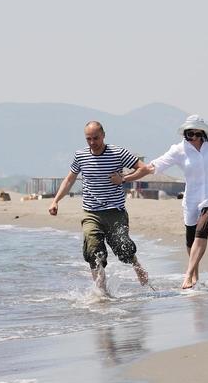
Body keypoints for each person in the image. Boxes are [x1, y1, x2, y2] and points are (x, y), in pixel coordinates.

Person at [118, 114, 208, 289]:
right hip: (192, 198)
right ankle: (195, 274)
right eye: (191, 134)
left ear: (204, 134)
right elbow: (151, 167)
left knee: (202, 230)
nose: (195, 138)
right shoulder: (178, 150)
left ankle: (188, 275)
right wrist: (125, 178)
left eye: (199, 134)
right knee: (191, 239)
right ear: (185, 134)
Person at [49, 120, 150, 294]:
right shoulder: (80, 155)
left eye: (96, 138)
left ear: (103, 135)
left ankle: (136, 265)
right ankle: (101, 293)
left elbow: (144, 169)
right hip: (91, 213)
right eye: (88, 139)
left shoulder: (118, 153)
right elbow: (70, 179)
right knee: (93, 251)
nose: (92, 142)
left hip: (115, 212)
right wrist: (55, 200)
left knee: (123, 247)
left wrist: (123, 179)